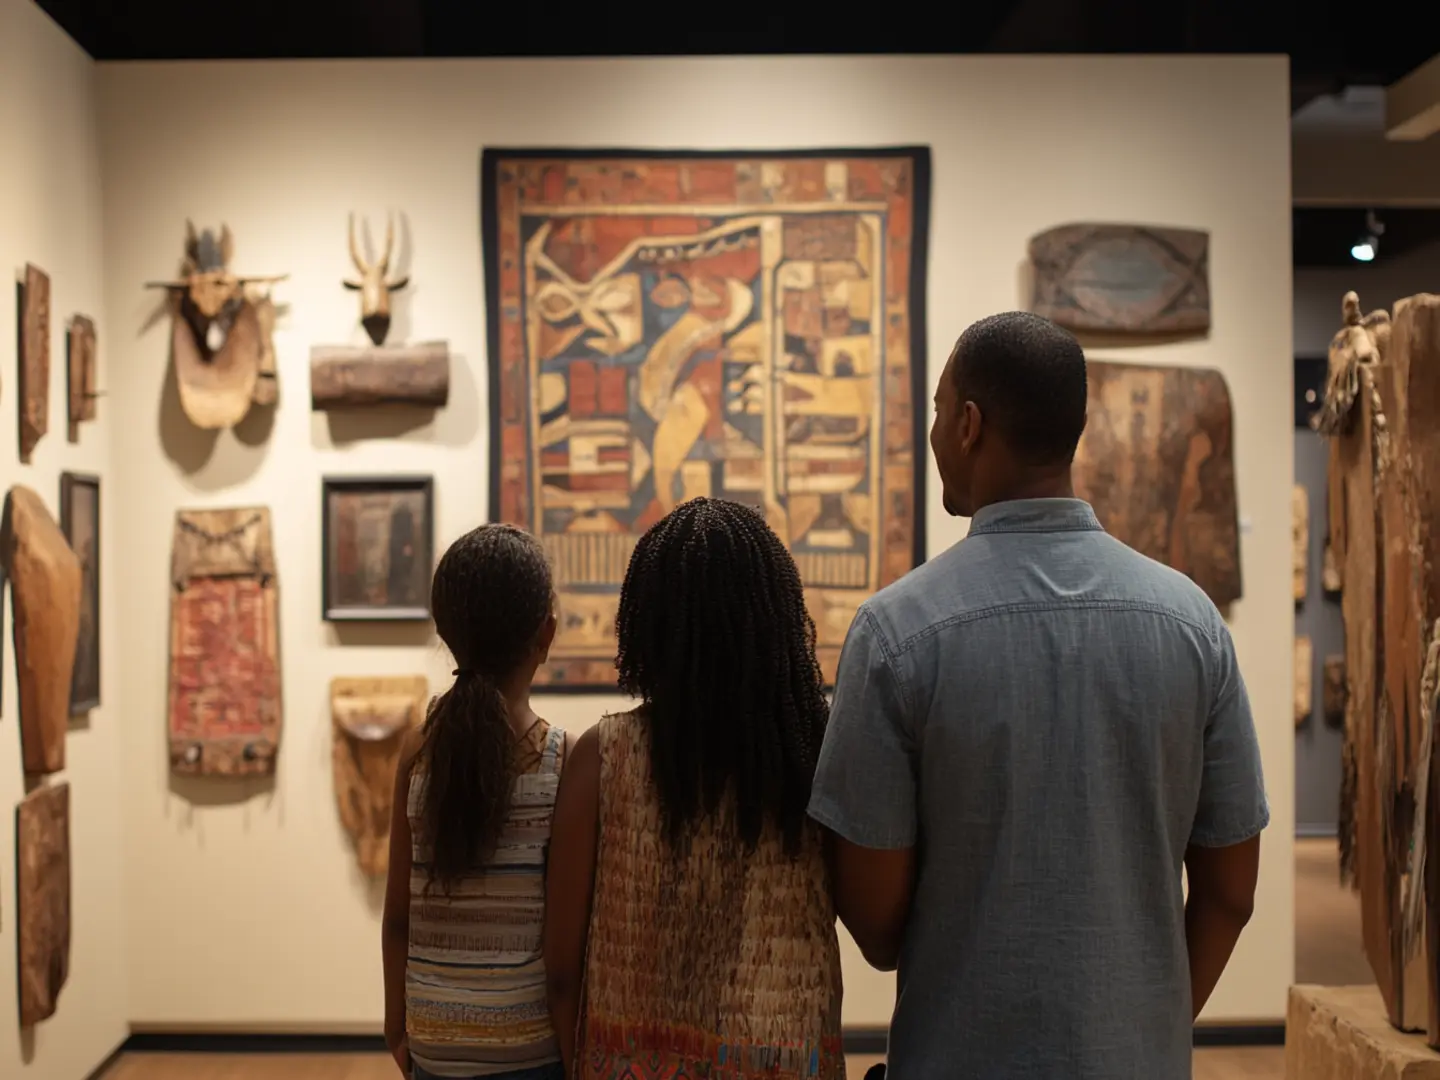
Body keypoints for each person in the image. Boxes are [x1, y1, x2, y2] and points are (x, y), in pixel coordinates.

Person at [809, 312, 1269, 1079]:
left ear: (967, 424)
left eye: (934, 412)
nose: (931, 435)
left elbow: (879, 927)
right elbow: (1231, 891)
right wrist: (1148, 1023)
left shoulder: (896, 635)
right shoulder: (1191, 623)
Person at [544, 497, 844, 1080]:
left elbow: (560, 966)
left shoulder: (601, 759)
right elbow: (871, 921)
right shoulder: (815, 756)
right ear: (777, 619)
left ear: (648, 623)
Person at [382, 524, 568, 1080]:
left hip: (433, 1045)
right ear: (547, 634)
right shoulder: (562, 760)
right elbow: (561, 956)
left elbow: (397, 919)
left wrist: (398, 1026)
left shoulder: (418, 751)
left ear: (446, 631)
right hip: (529, 1049)